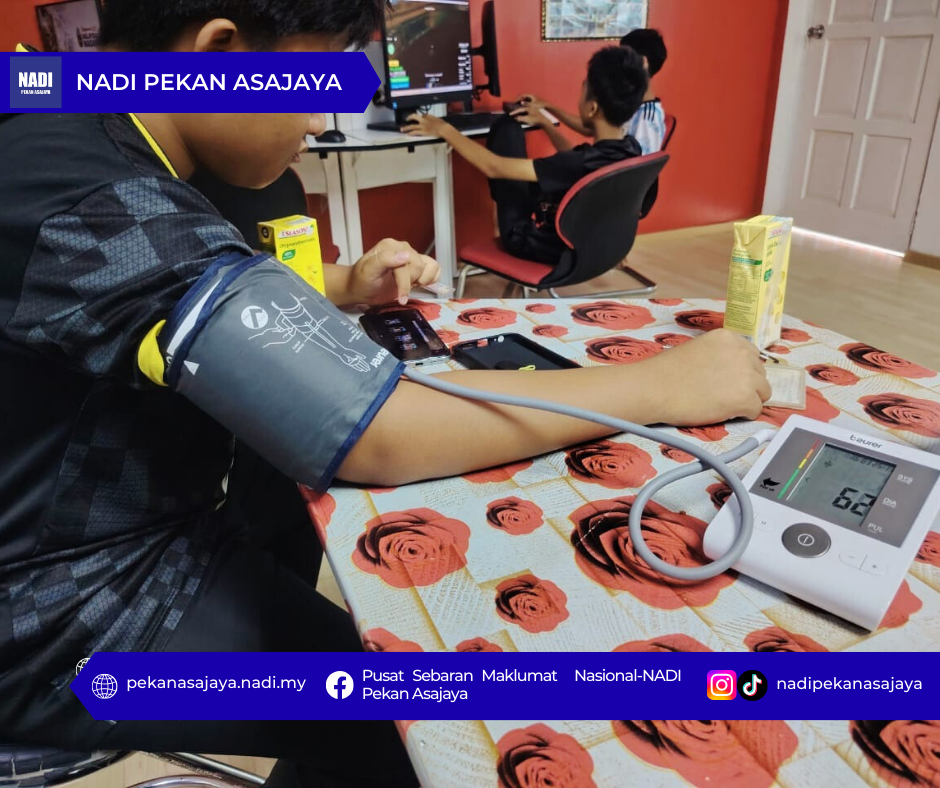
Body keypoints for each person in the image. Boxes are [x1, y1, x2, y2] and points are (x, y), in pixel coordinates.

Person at [0, 1, 769, 785]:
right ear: (220, 52)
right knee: (429, 721)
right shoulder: (101, 200)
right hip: (68, 619)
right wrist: (666, 382)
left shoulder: (65, 119)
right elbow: (375, 431)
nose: (317, 122)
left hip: (136, 522)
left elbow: (169, 285)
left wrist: (341, 285)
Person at [403, 46, 647, 265]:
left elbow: (495, 167)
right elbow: (576, 159)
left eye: (583, 90)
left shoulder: (579, 163)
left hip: (532, 242)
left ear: (592, 108)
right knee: (521, 153)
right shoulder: (631, 150)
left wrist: (444, 129)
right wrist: (545, 123)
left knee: (505, 128)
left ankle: (501, 226)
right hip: (594, 248)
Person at [518, 28, 669, 155]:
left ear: (643, 62)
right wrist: (548, 108)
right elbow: (590, 127)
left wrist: (545, 122)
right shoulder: (627, 103)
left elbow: (632, 174)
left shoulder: (646, 120)